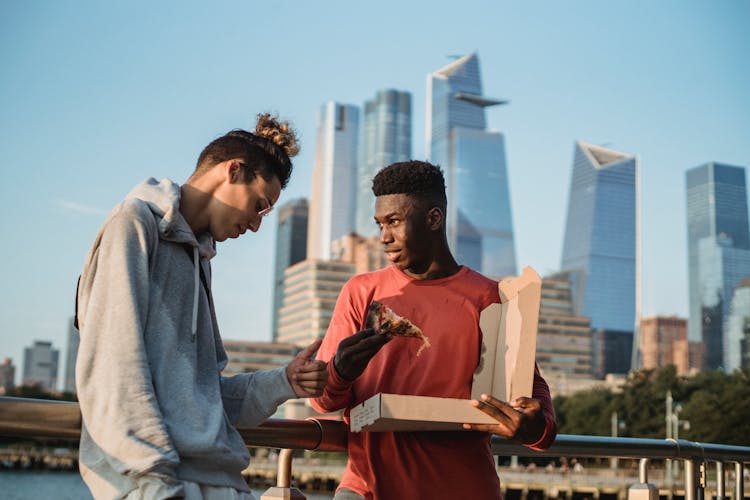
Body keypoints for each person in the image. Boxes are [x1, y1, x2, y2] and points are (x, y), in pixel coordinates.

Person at [75, 114, 327, 499]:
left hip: (221, 483)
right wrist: (155, 483)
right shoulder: (135, 224)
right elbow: (112, 370)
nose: (257, 225)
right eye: (259, 205)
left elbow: (205, 396)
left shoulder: (200, 263)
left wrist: (285, 382)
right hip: (158, 485)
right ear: (233, 171)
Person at [310, 160, 557, 500]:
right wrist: (340, 372)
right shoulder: (360, 292)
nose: (384, 237)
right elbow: (322, 401)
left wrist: (533, 427)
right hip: (367, 490)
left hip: (465, 490)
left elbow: (536, 404)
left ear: (433, 218)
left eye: (394, 222)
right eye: (379, 224)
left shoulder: (489, 298)